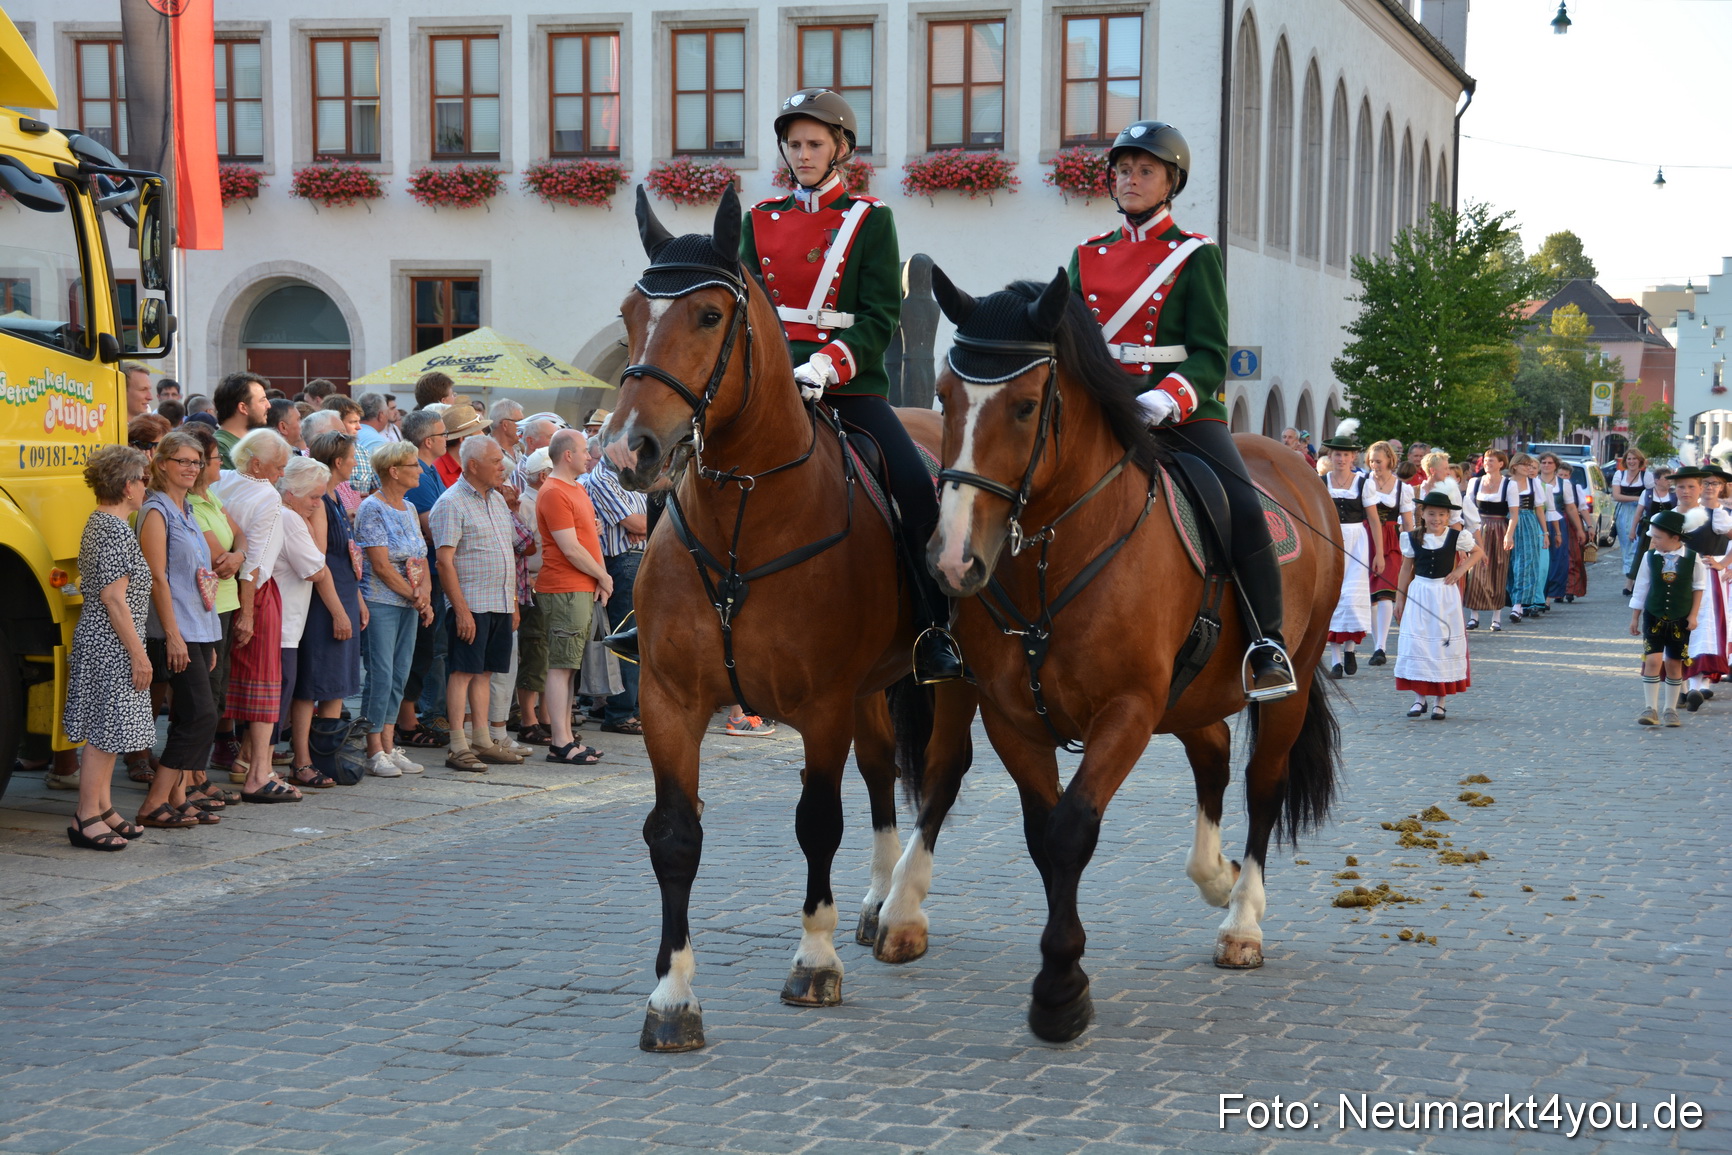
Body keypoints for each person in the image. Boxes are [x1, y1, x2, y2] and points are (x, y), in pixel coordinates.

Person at [734, 87, 964, 684]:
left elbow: (881, 313)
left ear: (841, 148)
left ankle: (934, 631)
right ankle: (651, 611)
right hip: (768, 388)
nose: (802, 154)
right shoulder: (757, 221)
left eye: (814, 143)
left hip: (849, 388)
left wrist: (826, 365)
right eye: (794, 144)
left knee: (916, 490)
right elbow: (743, 310)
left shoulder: (870, 220)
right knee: (685, 470)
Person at [1064, 118, 1291, 697]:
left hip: (1180, 414)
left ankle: (1268, 642)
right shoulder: (1085, 257)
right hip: (1101, 411)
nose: (1131, 180)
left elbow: (1212, 354)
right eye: (1122, 171)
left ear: (1171, 183)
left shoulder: (1194, 256)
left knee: (1240, 503)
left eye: (1145, 171)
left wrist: (1166, 398)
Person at [60, 446, 154, 850]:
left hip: (106, 639)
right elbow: (114, 599)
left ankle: (103, 807)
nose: (148, 486)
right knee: (104, 732)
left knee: (111, 730)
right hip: (112, 642)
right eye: (144, 479)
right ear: (128, 485)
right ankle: (86, 816)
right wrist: (138, 652)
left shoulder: (103, 523)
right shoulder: (114, 528)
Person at [134, 432, 226, 829]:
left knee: (192, 713)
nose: (192, 468)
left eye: (197, 462)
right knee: (200, 716)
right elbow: (157, 578)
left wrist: (207, 636)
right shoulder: (156, 511)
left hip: (198, 625)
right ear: (163, 464)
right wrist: (173, 635)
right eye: (184, 461)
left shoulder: (187, 508)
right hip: (173, 629)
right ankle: (154, 801)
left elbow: (198, 575)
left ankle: (177, 795)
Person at [211, 429, 304, 804]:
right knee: (266, 682)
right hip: (255, 593)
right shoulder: (265, 494)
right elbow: (255, 562)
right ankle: (258, 772)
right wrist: (248, 613)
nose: (281, 474)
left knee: (230, 682)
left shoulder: (226, 481)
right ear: (256, 464)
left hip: (224, 590)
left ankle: (244, 764)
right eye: (278, 467)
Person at [431, 436, 523, 771]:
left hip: (497, 601)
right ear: (473, 465)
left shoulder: (497, 500)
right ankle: (458, 744)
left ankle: (482, 739)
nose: (503, 467)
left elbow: (506, 554)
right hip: (472, 602)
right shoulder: (451, 502)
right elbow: (444, 562)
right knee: (462, 672)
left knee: (484, 672)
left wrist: (511, 602)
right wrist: (461, 610)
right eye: (497, 461)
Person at [356, 440, 435, 776]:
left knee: (401, 672)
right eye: (413, 465)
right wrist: (415, 596)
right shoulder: (372, 508)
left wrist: (425, 595)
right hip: (381, 601)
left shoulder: (407, 508)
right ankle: (374, 746)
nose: (420, 470)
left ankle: (389, 743)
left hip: (408, 602)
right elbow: (381, 566)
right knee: (382, 673)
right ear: (393, 471)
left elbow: (421, 556)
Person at [537, 428, 611, 766]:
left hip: (581, 586)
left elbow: (587, 536)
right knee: (561, 665)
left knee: (570, 667)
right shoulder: (553, 491)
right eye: (583, 451)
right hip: (565, 587)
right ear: (568, 455)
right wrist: (603, 574)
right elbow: (569, 548)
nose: (589, 456)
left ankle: (566, 736)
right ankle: (560, 741)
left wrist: (599, 575)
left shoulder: (576, 487)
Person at [297, 432, 366, 783]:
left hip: (343, 594)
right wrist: (339, 611)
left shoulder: (336, 496)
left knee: (337, 682)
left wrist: (356, 601)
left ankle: (329, 755)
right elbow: (319, 561)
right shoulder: (321, 500)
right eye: (353, 457)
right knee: (315, 681)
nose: (357, 462)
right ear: (337, 462)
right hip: (326, 603)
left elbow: (346, 554)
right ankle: (304, 759)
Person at [182, 423, 246, 806]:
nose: (221, 461)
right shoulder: (189, 504)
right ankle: (189, 775)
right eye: (217, 457)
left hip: (225, 603)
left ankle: (199, 771)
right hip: (204, 608)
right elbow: (211, 555)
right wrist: (233, 557)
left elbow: (239, 539)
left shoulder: (211, 498)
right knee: (202, 697)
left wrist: (238, 556)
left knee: (218, 693)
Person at [1394, 492, 1483, 720]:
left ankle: (1440, 701)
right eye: (1431, 513)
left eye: (1442, 514)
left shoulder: (1456, 536)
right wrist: (1400, 597)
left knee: (1442, 644)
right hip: (1420, 593)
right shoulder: (1412, 537)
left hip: (1444, 595)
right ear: (1422, 514)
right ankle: (1419, 698)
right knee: (1418, 644)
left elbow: (1478, 552)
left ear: (1448, 516)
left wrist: (1460, 570)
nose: (1437, 518)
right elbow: (1406, 569)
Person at [582, 436, 648, 736]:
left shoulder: (627, 478)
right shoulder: (602, 480)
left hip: (637, 557)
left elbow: (648, 519)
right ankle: (620, 712)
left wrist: (644, 524)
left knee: (641, 636)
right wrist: (641, 525)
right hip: (624, 561)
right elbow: (636, 524)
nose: (637, 455)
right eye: (632, 449)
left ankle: (632, 708)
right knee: (627, 636)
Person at [398, 409, 452, 747]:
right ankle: (413, 717)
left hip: (433, 572)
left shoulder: (430, 469)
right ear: (428, 441)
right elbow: (432, 524)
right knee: (422, 649)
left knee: (431, 647)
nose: (449, 439)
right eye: (445, 434)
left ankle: (416, 715)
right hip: (423, 574)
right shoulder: (416, 471)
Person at [1629, 509, 1706, 727]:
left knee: (1674, 663)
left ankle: (1670, 709)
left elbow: (1698, 587)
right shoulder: (1649, 557)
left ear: (1675, 538)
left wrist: (1693, 615)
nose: (1652, 540)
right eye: (1652, 536)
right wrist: (1635, 616)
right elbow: (1641, 587)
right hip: (1653, 616)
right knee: (1652, 660)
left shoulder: (1692, 558)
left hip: (1680, 618)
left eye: (1657, 537)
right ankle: (1650, 707)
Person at [1319, 422, 1383, 677]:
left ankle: (1349, 649)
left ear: (1353, 457)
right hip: (1330, 540)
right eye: (1337, 454)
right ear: (1330, 456)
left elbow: (1375, 520)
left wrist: (1379, 553)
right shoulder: (1322, 482)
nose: (1341, 459)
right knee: (1332, 597)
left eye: (1345, 455)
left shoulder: (1363, 482)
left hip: (1357, 541)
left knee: (1352, 598)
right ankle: (1334, 660)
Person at [1666, 466, 1732, 705]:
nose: (1687, 491)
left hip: (1705, 576)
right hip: (1677, 574)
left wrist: (1723, 562)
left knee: (1703, 627)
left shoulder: (1719, 515)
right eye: (1681, 487)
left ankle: (1696, 684)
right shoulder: (1672, 514)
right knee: (1677, 625)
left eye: (1692, 486)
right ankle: (1682, 686)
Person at [512, 446, 555, 746]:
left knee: (547, 653)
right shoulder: (527, 505)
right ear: (543, 476)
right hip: (532, 584)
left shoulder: (539, 501)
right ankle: (529, 718)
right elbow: (526, 549)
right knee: (535, 651)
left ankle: (546, 717)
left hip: (547, 584)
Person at [1364, 440, 1413, 665]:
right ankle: (1376, 643)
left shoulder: (1402, 488)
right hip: (1366, 538)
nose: (1375, 465)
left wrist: (1414, 550)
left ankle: (1380, 647)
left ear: (1390, 461)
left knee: (1385, 592)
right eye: (1372, 461)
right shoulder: (1362, 482)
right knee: (1371, 595)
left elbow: (1409, 523)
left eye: (1379, 461)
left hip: (1392, 539)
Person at [1462, 449, 1516, 631]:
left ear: (1501, 463)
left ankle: (1496, 616)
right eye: (1485, 460)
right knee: (1475, 570)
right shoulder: (1474, 483)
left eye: (1491, 460)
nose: (1487, 463)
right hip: (1478, 528)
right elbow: (1469, 510)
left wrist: (1509, 535)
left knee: (1498, 569)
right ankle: (1474, 615)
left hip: (1500, 528)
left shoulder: (1509, 484)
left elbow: (1514, 515)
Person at [1503, 453, 1552, 621]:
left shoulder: (1534, 483)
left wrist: (1545, 532)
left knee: (1527, 564)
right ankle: (1513, 600)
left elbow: (1539, 509)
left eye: (1530, 465)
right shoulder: (1506, 483)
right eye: (1524, 464)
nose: (1528, 468)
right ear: (1515, 466)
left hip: (1528, 523)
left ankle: (1519, 605)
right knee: (1510, 565)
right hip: (1508, 523)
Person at [1537, 452, 1589, 605]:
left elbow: (1571, 508)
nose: (1546, 465)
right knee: (1540, 560)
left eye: (1550, 463)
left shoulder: (1563, 483)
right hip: (1538, 523)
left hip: (1558, 523)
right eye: (1543, 462)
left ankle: (1548, 596)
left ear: (1556, 465)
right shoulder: (1533, 481)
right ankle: (1539, 595)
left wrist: (1580, 529)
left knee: (1558, 560)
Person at [1612, 448, 1654, 593]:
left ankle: (1630, 582)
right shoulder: (1620, 474)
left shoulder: (1646, 476)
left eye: (1634, 459)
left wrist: (1640, 502)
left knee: (1636, 546)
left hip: (1641, 513)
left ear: (1640, 461)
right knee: (1626, 546)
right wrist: (1638, 498)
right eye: (1629, 459)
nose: (1631, 462)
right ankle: (1631, 579)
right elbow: (1616, 496)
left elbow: (1651, 496)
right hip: (1624, 513)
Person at [1627, 466, 1675, 586]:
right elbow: (1638, 513)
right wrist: (1632, 530)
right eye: (1666, 479)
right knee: (1641, 556)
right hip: (1649, 530)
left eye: (1670, 479)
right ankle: (1630, 584)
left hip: (1668, 530)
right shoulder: (1647, 493)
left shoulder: (1674, 494)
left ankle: (1661, 581)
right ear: (1657, 480)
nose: (1669, 481)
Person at [214, 371, 271, 469]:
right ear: (243, 408)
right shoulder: (220, 447)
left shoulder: (252, 442)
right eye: (262, 400)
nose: (269, 405)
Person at [322, 395, 377, 496]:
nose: (359, 427)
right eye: (353, 422)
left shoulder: (364, 453)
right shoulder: (316, 453)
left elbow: (376, 492)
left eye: (359, 421)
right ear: (336, 422)